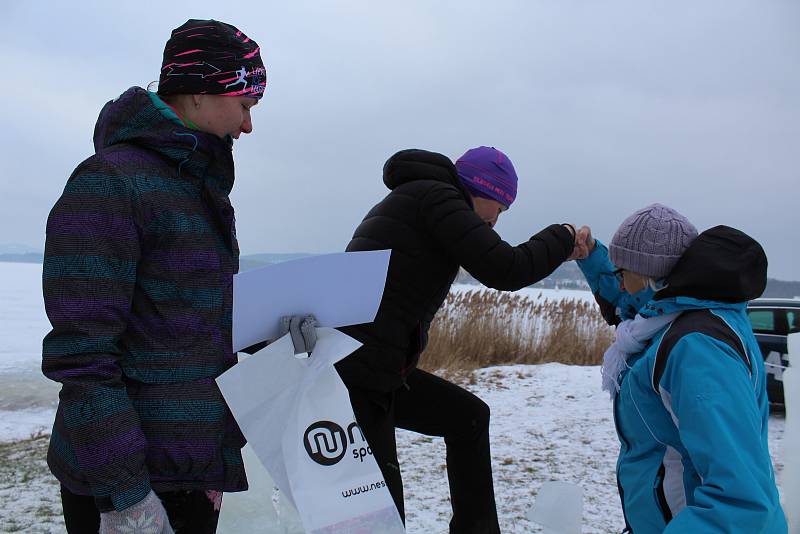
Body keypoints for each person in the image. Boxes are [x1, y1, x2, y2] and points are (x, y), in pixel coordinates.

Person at [42, 19, 267, 534]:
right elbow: (83, 354)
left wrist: (274, 333)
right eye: (246, 105)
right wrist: (127, 498)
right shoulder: (109, 184)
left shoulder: (196, 185)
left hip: (189, 465)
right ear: (200, 90)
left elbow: (192, 323)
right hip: (131, 480)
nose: (249, 125)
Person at [336, 146, 589, 533]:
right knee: (380, 521)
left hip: (376, 372)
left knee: (468, 417)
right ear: (482, 189)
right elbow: (507, 268)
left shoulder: (423, 198)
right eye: (499, 209)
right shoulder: (438, 197)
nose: (495, 222)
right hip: (358, 380)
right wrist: (563, 235)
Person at [576, 204, 787, 533]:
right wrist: (591, 257)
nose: (618, 284)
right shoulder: (672, 314)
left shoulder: (698, 350)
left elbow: (740, 503)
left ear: (651, 277)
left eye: (622, 274)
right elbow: (629, 302)